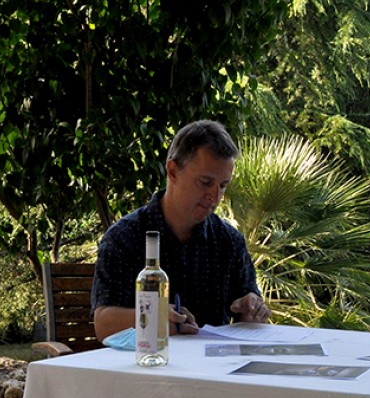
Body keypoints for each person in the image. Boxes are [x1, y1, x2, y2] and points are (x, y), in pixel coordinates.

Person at [92, 120, 270, 340]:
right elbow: (104, 324)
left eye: (223, 186)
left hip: (213, 360)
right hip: (147, 360)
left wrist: (252, 311)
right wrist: (155, 317)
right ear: (173, 171)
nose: (215, 196)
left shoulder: (229, 241)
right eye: (205, 182)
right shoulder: (125, 237)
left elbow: (247, 312)